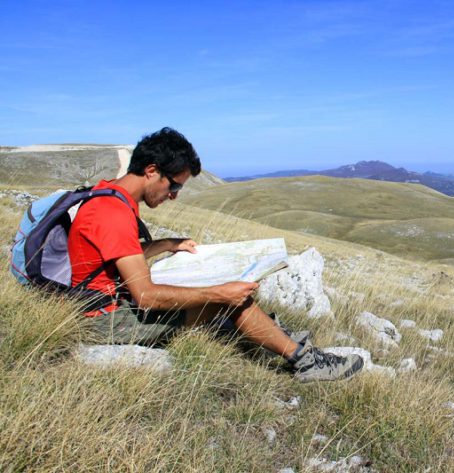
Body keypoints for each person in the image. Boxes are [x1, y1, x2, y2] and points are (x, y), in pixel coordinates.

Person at [67, 127, 363, 382]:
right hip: (106, 320)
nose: (174, 195)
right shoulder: (113, 213)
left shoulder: (109, 196)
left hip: (108, 304)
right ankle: (305, 361)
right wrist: (218, 293)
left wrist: (169, 244)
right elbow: (145, 296)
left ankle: (278, 337)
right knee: (229, 301)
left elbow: (119, 252)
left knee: (220, 293)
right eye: (175, 185)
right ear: (152, 171)